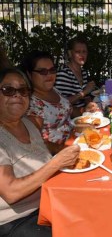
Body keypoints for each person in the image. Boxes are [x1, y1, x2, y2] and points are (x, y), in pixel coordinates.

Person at [0, 68, 80, 237]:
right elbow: (11, 193)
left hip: (48, 204)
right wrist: (57, 162)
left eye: (23, 90)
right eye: (8, 90)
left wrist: (74, 149)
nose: (17, 95)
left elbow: (43, 149)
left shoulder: (28, 124)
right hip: (16, 221)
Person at [21, 50, 73, 155]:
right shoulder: (31, 104)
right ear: (29, 74)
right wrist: (63, 150)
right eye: (42, 71)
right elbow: (36, 143)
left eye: (52, 70)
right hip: (58, 156)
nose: (49, 75)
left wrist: (86, 110)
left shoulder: (54, 90)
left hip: (74, 140)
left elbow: (66, 110)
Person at [55, 36, 96, 117]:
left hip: (83, 115)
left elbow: (86, 98)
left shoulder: (83, 72)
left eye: (84, 52)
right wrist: (84, 92)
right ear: (70, 53)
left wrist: (91, 104)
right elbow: (60, 103)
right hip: (68, 119)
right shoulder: (64, 74)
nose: (82, 55)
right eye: (78, 52)